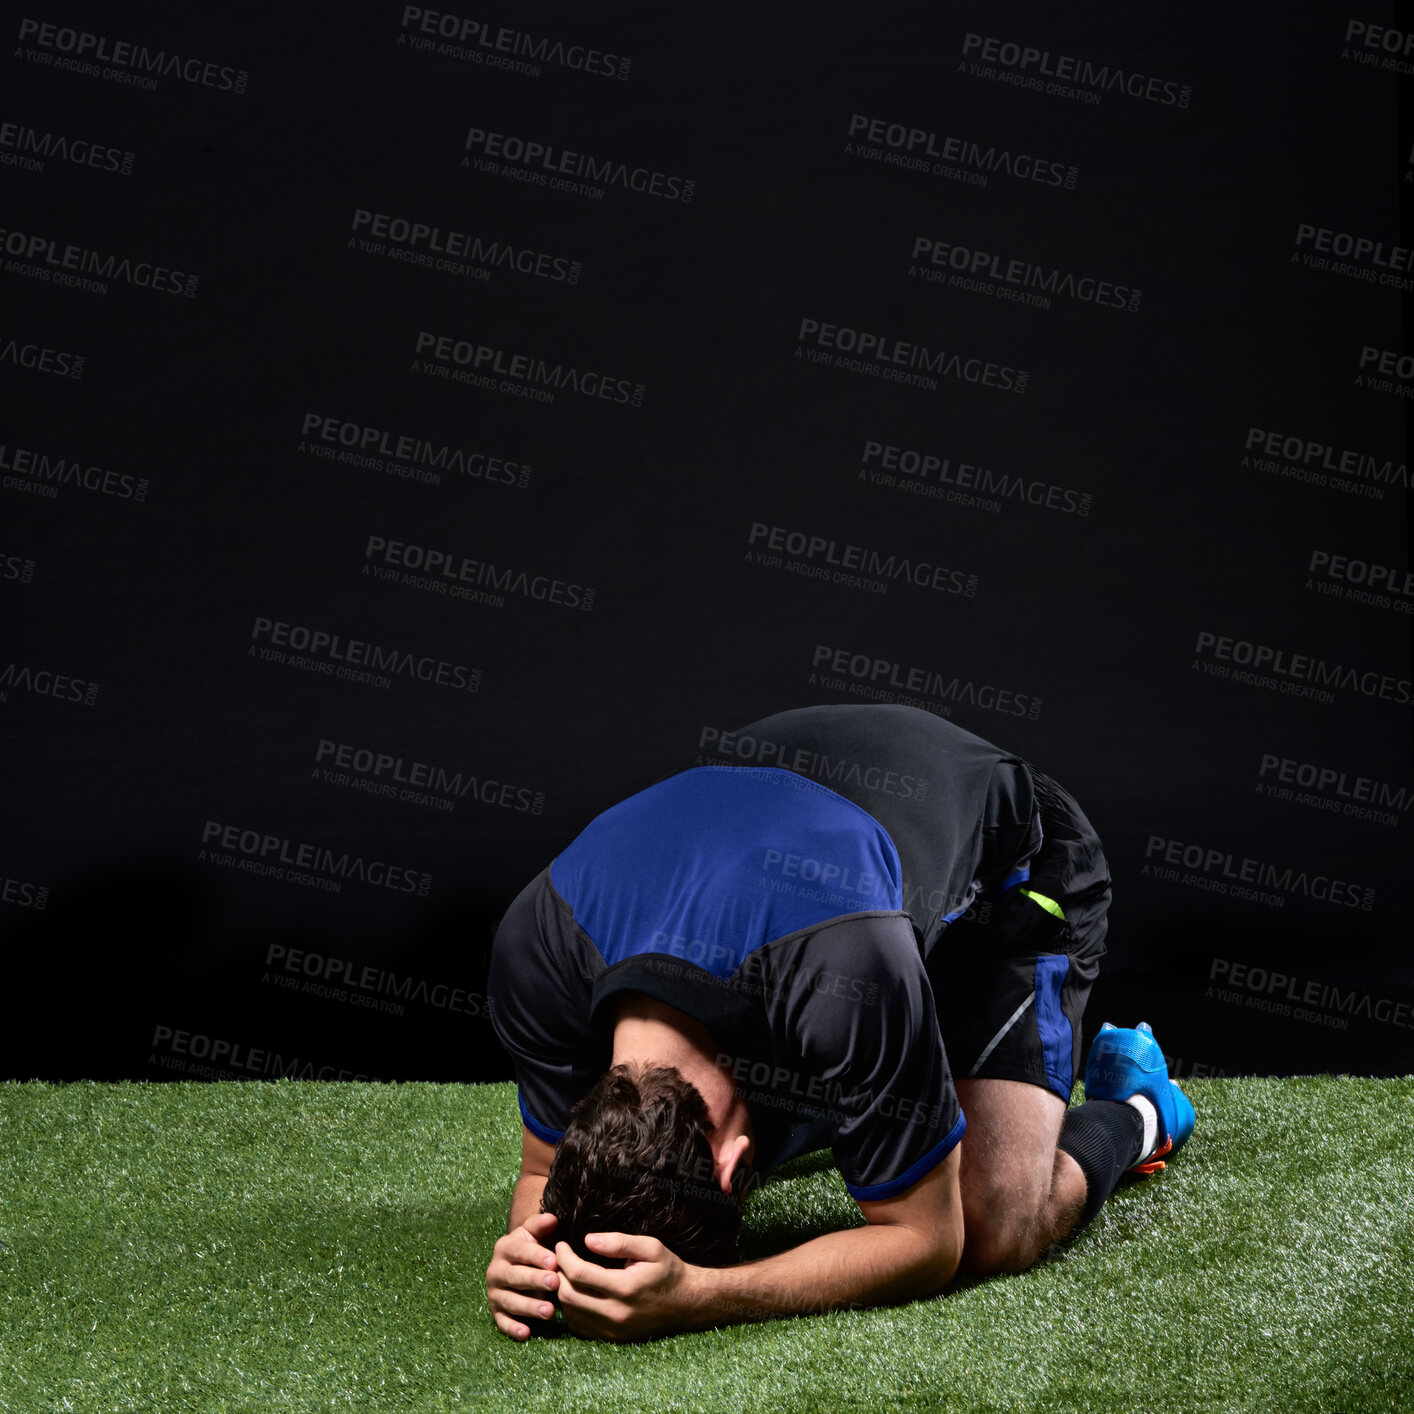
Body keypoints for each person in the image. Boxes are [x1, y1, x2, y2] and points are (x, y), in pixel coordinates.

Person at [484, 704, 1195, 1341]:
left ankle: (1138, 1106)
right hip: (823, 857)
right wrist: (533, 1251)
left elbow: (927, 1241)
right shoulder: (534, 955)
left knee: (992, 1229)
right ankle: (899, 1082)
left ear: (735, 1173)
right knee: (822, 1064)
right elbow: (543, 1172)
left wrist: (704, 1295)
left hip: (1009, 868)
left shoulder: (842, 969)